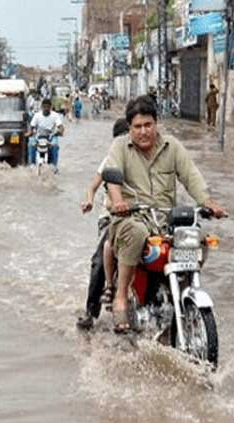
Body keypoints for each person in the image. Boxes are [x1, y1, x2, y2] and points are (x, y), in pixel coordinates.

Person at [103, 96, 225, 333]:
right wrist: (118, 202)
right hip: (131, 219)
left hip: (164, 222)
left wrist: (208, 202)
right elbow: (112, 178)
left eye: (148, 125)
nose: (143, 131)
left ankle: (185, 291)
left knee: (197, 237)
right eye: (137, 127)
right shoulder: (120, 146)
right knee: (136, 231)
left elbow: (191, 176)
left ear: (156, 123)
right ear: (130, 128)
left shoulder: (172, 147)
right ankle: (119, 296)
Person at [76, 118, 130, 330]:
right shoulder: (110, 160)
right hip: (111, 217)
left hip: (141, 216)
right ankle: (91, 312)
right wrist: (89, 199)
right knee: (99, 259)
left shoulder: (145, 158)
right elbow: (93, 186)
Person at [25, 98, 64, 169]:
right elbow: (31, 126)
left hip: (51, 136)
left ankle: (53, 166)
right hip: (38, 136)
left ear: (50, 107)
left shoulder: (55, 115)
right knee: (31, 143)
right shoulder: (37, 115)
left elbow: (61, 126)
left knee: (55, 145)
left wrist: (60, 131)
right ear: (42, 107)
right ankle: (32, 165)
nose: (46, 108)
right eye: (44, 107)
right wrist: (29, 133)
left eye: (48, 107)